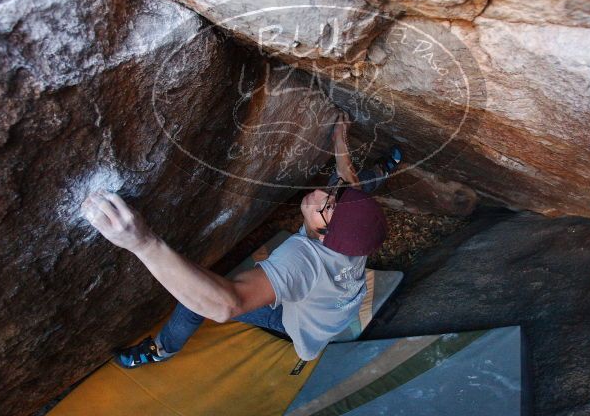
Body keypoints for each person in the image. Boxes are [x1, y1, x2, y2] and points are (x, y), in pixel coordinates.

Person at [81, 112, 403, 367]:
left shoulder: (303, 262)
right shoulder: (353, 235)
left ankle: (161, 350)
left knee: (194, 303)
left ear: (323, 235)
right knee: (355, 192)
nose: (319, 193)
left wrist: (143, 243)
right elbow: (348, 183)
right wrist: (339, 138)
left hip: (299, 325)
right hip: (335, 306)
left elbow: (226, 304)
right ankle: (385, 169)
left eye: (328, 206)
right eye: (334, 194)